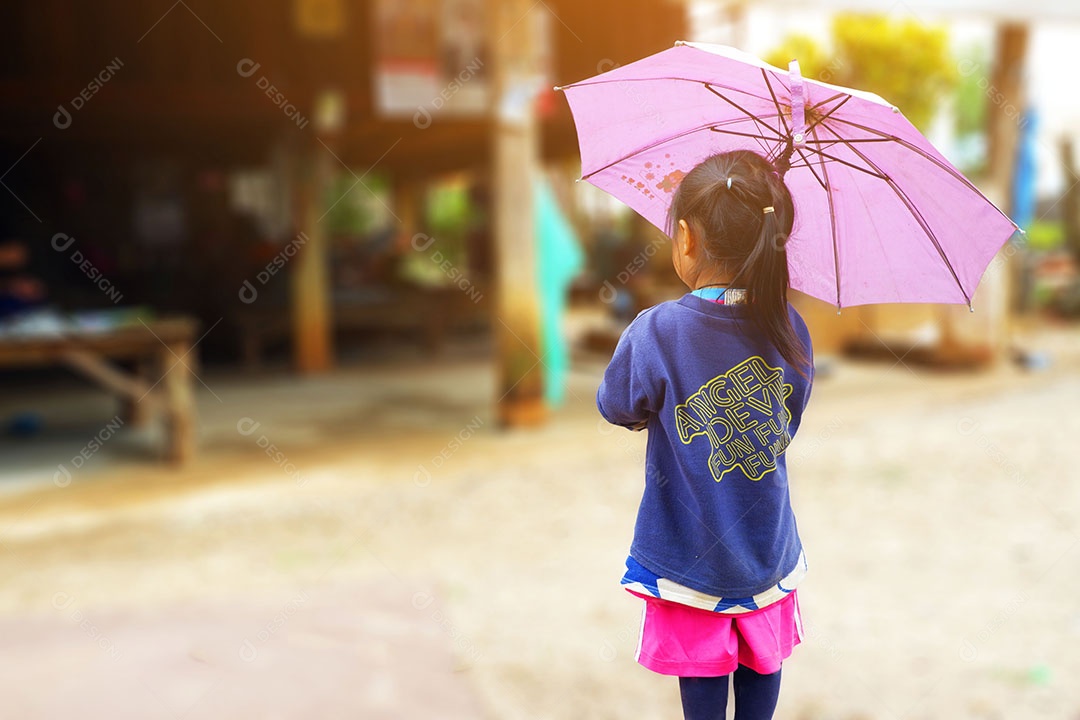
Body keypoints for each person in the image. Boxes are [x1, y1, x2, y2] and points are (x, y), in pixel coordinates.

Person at [596, 150, 814, 720]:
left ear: (686, 239)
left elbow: (617, 405)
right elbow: (786, 419)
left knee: (703, 689)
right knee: (763, 665)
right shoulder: (791, 328)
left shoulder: (658, 330)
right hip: (767, 548)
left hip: (690, 556)